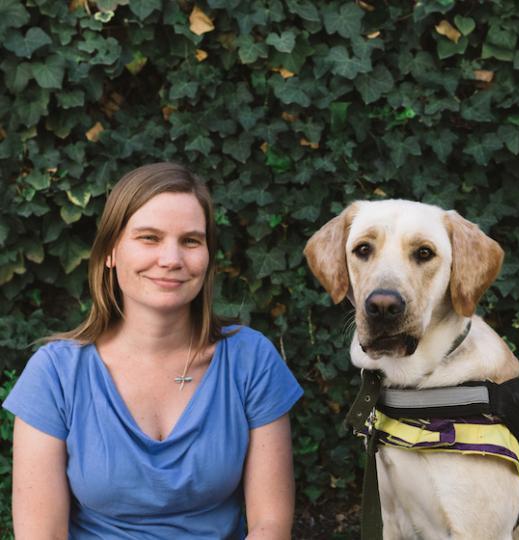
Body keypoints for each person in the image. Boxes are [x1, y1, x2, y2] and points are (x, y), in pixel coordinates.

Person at [2, 162, 303, 539]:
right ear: (111, 251)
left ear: (208, 257)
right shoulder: (55, 374)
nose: (171, 259)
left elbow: (269, 525)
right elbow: (42, 535)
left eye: (191, 241)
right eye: (149, 238)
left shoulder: (250, 360)